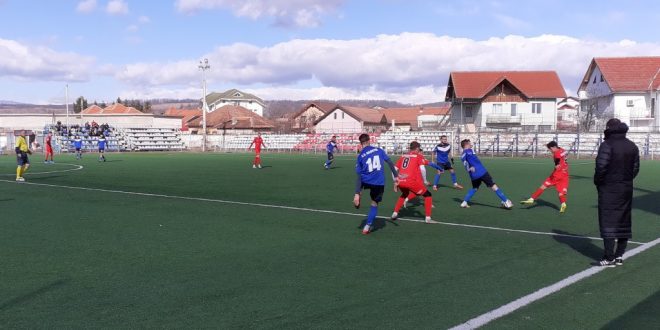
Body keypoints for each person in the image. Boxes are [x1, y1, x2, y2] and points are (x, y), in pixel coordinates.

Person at [594, 119, 640, 267]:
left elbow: (601, 167)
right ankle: (619, 255)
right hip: (626, 188)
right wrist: (625, 180)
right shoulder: (632, 145)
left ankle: (609, 257)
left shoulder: (606, 145)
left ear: (609, 128)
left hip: (609, 188)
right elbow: (635, 169)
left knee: (608, 221)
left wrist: (599, 182)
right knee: (623, 220)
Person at [354, 133, 398, 235]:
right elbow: (390, 163)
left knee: (361, 178)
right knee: (374, 203)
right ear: (369, 141)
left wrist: (357, 191)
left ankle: (357, 195)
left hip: (365, 180)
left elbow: (359, 175)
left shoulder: (360, 156)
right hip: (378, 182)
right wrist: (396, 176)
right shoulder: (379, 150)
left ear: (361, 144)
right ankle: (367, 226)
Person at [391, 141, 445, 223]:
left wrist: (395, 181)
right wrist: (438, 170)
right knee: (428, 195)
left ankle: (395, 213)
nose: (419, 150)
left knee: (404, 194)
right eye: (419, 149)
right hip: (410, 181)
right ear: (416, 148)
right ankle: (428, 218)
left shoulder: (403, 156)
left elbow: (394, 169)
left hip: (400, 181)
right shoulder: (418, 156)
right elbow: (425, 167)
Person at [459, 139, 513, 209]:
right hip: (481, 172)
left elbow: (466, 163)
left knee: (475, 188)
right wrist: (472, 165)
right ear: (466, 145)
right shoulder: (469, 150)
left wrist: (469, 168)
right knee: (494, 186)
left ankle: (464, 202)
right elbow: (470, 158)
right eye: (469, 143)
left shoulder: (462, 155)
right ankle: (506, 201)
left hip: (473, 175)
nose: (471, 145)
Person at [520, 141, 569, 213]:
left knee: (543, 186)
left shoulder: (556, 154)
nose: (550, 151)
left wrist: (557, 165)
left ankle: (532, 199)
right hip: (565, 175)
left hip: (557, 175)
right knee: (561, 192)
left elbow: (557, 162)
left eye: (550, 149)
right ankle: (563, 204)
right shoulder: (563, 150)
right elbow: (562, 153)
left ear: (553, 147)